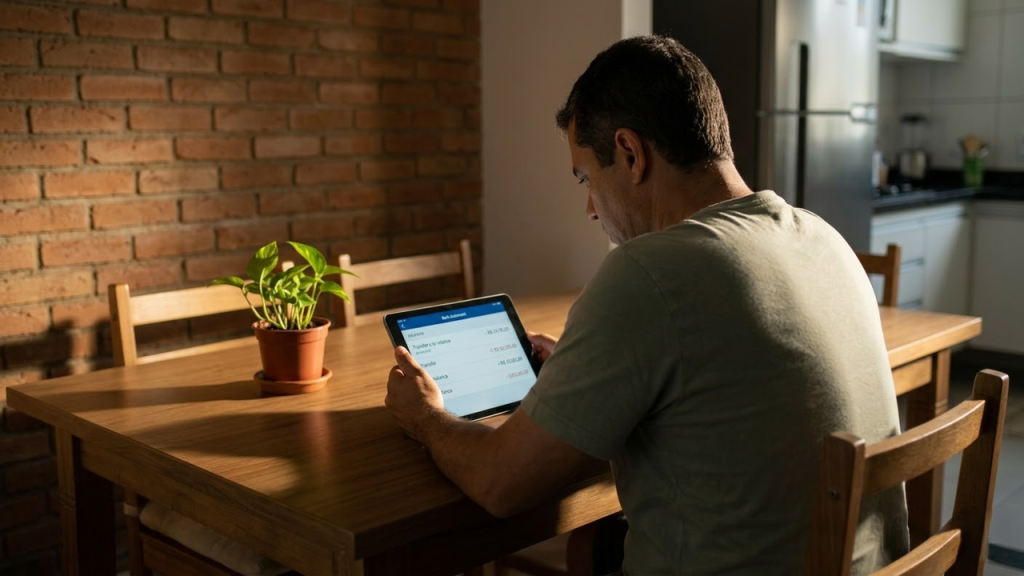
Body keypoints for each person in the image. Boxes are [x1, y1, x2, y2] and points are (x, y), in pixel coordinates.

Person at [385, 35, 909, 575]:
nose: (591, 207)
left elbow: (501, 483)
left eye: (587, 178)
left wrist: (426, 416)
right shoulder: (822, 237)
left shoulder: (651, 272)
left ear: (631, 154)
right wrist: (593, 367)